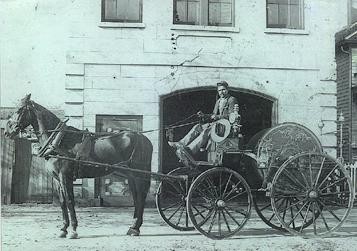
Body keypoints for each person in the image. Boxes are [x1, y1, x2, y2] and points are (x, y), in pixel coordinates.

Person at [168, 81, 238, 155]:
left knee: (207, 130)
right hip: (216, 124)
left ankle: (190, 150)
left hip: (225, 127)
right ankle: (181, 144)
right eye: (220, 90)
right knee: (197, 127)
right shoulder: (218, 101)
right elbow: (213, 115)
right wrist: (204, 116)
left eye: (223, 89)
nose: (222, 92)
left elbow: (232, 116)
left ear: (227, 89)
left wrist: (216, 116)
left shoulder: (232, 100)